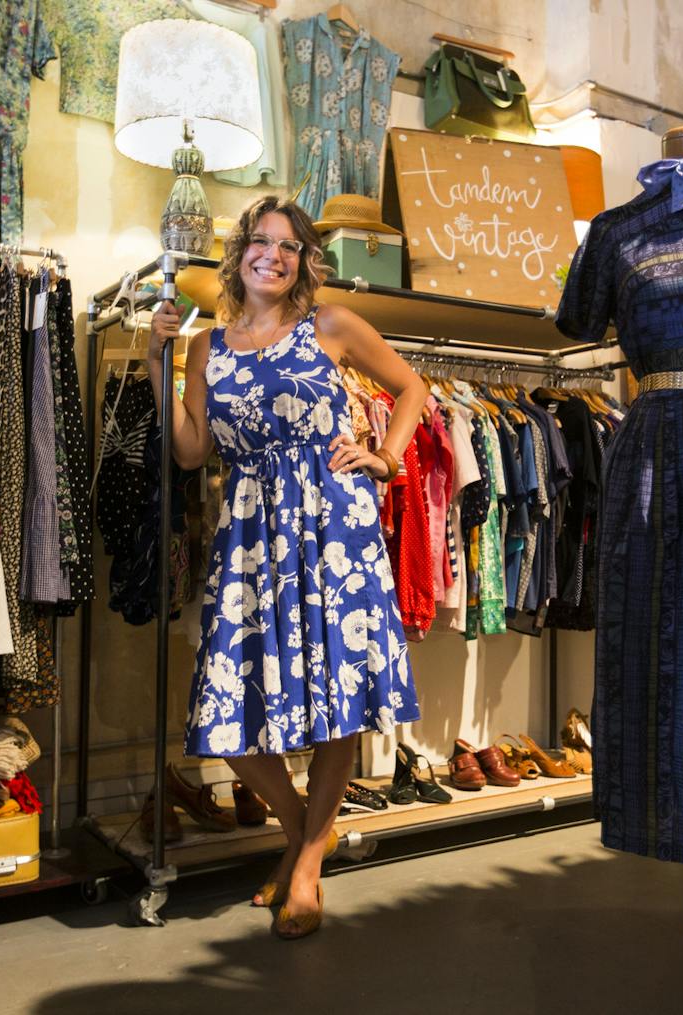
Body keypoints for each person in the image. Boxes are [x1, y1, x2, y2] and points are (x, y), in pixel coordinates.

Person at [147, 195, 426, 939]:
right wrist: (156, 360)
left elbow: (413, 388)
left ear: (304, 260)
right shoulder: (206, 346)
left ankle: (303, 868)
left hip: (334, 524)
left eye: (289, 245)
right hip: (247, 534)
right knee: (230, 713)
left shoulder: (328, 326)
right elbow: (189, 449)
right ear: (239, 254)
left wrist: (387, 457)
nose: (273, 253)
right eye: (260, 241)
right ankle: (308, 828)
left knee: (335, 694)